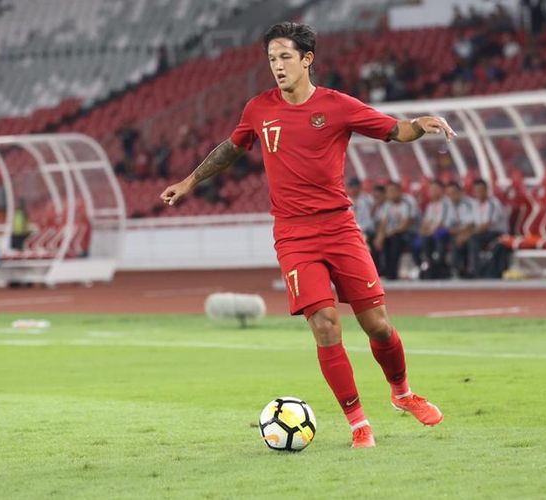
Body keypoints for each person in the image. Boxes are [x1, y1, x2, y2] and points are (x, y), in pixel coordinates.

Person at [161, 22, 456, 448]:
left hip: (340, 228)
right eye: (271, 59)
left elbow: (394, 130)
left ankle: (402, 393)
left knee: (377, 324)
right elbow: (231, 147)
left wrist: (421, 123)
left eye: (284, 57)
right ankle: (359, 424)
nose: (277, 67)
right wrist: (190, 181)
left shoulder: (338, 106)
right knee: (324, 324)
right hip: (294, 235)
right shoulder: (259, 109)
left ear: (307, 59)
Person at [374, 181, 420, 280]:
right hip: (392, 233)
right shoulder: (387, 205)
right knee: (379, 240)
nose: (390, 194)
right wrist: (380, 237)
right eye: (388, 191)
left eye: (393, 191)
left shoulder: (408, 202)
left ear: (400, 191)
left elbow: (406, 223)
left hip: (409, 232)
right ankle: (383, 271)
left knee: (395, 240)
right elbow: (383, 222)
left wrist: (390, 233)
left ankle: (393, 273)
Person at [468, 178, 508, 278]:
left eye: (481, 191)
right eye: (476, 191)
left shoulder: (493, 203)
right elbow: (471, 223)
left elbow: (487, 224)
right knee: (460, 239)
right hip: (481, 233)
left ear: (486, 191)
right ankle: (460, 268)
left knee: (473, 239)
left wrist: (469, 234)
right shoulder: (474, 204)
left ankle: (476, 271)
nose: (478, 193)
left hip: (496, 232)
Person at [417, 179, 454, 279]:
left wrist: (429, 231)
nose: (432, 192)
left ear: (442, 190)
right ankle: (426, 267)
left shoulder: (446, 203)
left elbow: (442, 222)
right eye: (430, 190)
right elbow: (426, 221)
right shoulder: (430, 205)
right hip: (431, 232)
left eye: (435, 189)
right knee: (417, 243)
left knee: (437, 237)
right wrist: (424, 230)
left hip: (444, 231)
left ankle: (438, 269)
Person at [446, 180, 475, 278]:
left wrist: (461, 232)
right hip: (455, 233)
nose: (452, 196)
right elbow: (447, 225)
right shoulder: (448, 205)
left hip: (470, 232)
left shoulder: (470, 203)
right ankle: (443, 271)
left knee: (465, 240)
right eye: (449, 194)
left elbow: (471, 224)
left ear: (460, 192)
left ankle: (469, 270)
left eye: (454, 193)